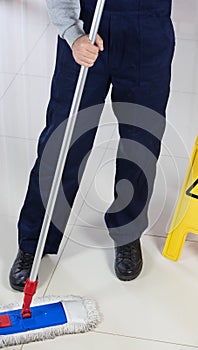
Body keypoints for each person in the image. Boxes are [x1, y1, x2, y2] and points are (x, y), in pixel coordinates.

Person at [9, 0, 175, 291]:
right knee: (64, 141)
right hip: (89, 29)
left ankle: (127, 231)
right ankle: (35, 240)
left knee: (141, 142)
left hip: (147, 33)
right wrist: (73, 34)